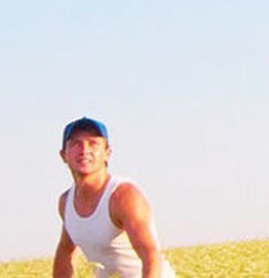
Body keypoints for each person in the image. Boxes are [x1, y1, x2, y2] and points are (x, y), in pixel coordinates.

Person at [53, 117, 177, 278]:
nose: (84, 150)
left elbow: (150, 255)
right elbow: (65, 251)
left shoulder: (122, 196)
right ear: (63, 155)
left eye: (93, 143)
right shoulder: (66, 202)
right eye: (76, 144)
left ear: (107, 153)